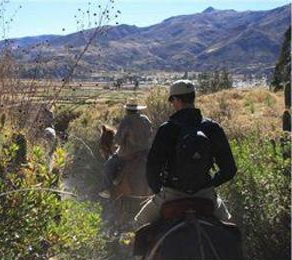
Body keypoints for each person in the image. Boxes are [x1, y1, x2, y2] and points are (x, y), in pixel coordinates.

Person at [134, 80, 237, 225]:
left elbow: (152, 168)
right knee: (231, 230)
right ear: (193, 97)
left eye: (172, 100)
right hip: (205, 195)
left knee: (139, 223)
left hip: (172, 194)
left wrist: (159, 190)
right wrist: (209, 183)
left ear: (176, 99)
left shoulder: (167, 129)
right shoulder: (212, 128)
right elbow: (230, 169)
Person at [99, 98, 152, 199]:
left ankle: (106, 189)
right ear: (137, 109)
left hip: (128, 155)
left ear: (127, 110)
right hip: (146, 153)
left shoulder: (126, 121)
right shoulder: (145, 119)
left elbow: (118, 140)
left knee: (108, 165)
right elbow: (150, 133)